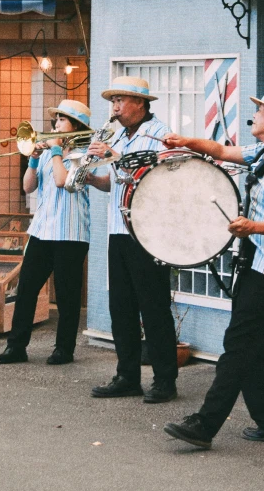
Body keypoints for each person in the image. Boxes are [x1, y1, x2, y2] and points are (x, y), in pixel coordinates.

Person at [162, 84, 264, 449]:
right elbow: (220, 150)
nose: (255, 116)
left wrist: (253, 226)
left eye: (260, 111)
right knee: (253, 350)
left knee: (238, 346)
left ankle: (205, 425)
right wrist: (185, 141)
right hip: (255, 265)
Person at [86, 76, 178, 403]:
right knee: (120, 306)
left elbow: (154, 177)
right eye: (113, 101)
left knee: (153, 308)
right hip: (118, 228)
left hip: (149, 232)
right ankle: (127, 375)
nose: (114, 107)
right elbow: (116, 183)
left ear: (140, 103)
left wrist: (112, 155)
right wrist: (90, 177)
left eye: (120, 100)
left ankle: (165, 380)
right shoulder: (120, 135)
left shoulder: (159, 134)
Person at [0, 100, 92, 366]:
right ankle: (16, 346)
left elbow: (63, 181)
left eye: (62, 120)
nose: (56, 124)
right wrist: (33, 160)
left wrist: (57, 151)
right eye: (56, 119)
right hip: (42, 229)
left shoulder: (86, 154)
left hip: (70, 232)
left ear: (76, 126)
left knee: (67, 294)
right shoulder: (49, 152)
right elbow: (28, 188)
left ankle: (64, 349)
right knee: (26, 289)